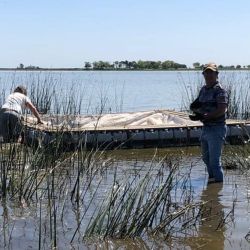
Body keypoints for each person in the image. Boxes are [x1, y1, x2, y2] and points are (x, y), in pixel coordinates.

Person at [189, 63, 228, 183]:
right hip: (206, 128)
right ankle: (212, 183)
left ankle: (218, 189)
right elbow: (198, 104)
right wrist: (196, 113)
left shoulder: (220, 90)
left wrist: (207, 116)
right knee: (206, 158)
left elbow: (222, 109)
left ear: (216, 74)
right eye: (206, 72)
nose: (209, 75)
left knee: (215, 161)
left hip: (217, 129)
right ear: (203, 74)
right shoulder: (203, 90)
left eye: (211, 72)